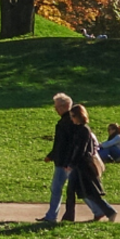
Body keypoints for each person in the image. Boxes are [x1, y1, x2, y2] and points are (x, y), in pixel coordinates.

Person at [64, 104, 117, 222]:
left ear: (79, 116)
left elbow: (81, 150)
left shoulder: (83, 130)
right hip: (79, 165)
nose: (71, 119)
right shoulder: (79, 129)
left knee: (90, 192)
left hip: (83, 166)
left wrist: (71, 164)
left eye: (73, 116)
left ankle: (110, 211)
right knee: (74, 191)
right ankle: (68, 217)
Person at [37, 92, 79, 223]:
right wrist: (52, 155)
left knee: (58, 189)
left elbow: (64, 145)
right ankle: (100, 211)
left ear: (65, 106)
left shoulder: (67, 123)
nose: (55, 109)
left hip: (64, 162)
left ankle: (51, 216)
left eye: (57, 107)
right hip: (63, 161)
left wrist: (57, 157)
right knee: (75, 189)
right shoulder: (67, 121)